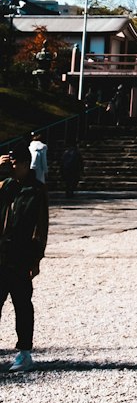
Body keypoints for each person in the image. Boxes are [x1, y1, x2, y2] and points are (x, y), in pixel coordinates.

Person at [0, 142, 49, 371]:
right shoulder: (6, 186)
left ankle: (24, 352)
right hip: (1, 254)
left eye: (14, 164)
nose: (11, 168)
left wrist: (36, 259)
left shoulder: (36, 191)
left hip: (20, 257)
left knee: (22, 305)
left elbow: (41, 228)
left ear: (25, 164)